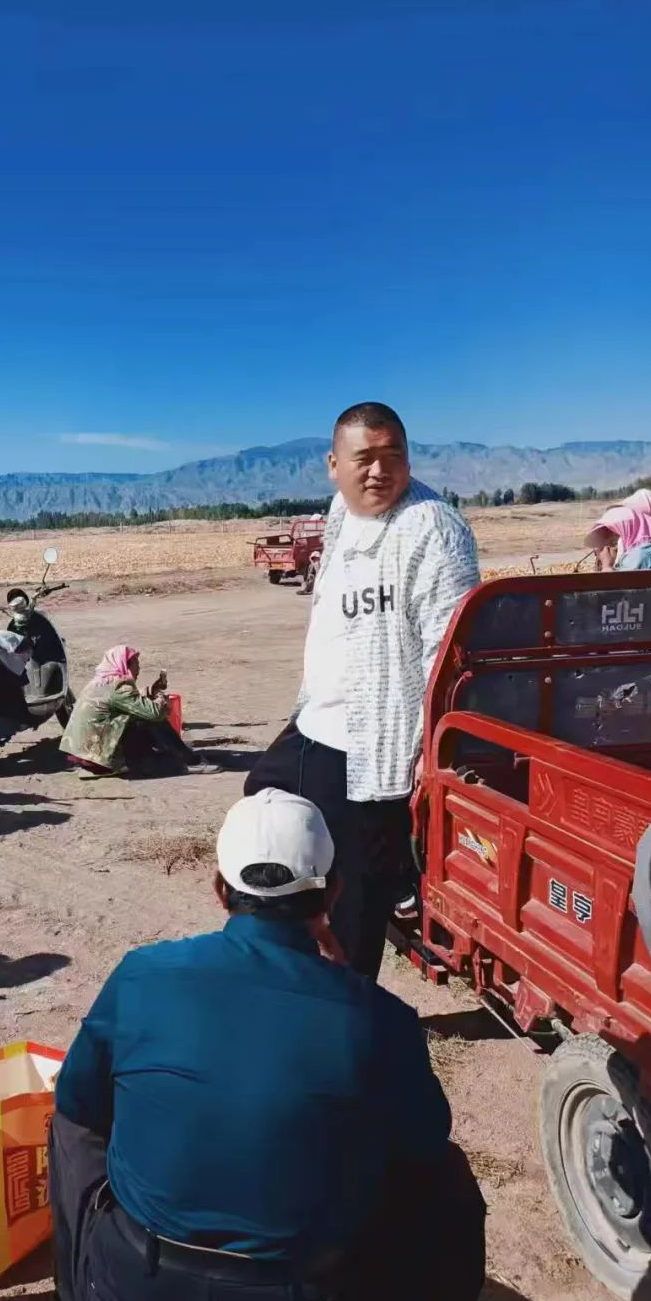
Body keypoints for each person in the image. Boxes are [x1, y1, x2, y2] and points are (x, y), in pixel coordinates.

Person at [50, 787, 487, 1301]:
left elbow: (79, 1103)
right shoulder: (378, 1019)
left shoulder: (143, 974)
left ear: (219, 890)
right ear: (332, 894)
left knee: (72, 1122)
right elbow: (422, 1142)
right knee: (445, 1183)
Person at [245, 402, 479, 977]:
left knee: (351, 896)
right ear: (333, 465)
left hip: (377, 753)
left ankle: (350, 1009)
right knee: (263, 802)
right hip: (317, 724)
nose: (379, 472)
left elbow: (448, 660)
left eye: (392, 456)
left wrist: (430, 757)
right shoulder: (339, 514)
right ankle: (301, 950)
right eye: (364, 459)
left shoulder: (433, 531)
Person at [59, 645, 215, 778]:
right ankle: (189, 761)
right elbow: (154, 713)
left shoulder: (101, 681)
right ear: (125, 665)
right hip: (98, 759)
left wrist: (151, 691)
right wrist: (160, 698)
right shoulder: (119, 687)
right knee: (152, 720)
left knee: (141, 715)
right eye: (136, 663)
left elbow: (125, 701)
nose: (139, 668)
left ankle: (175, 754)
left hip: (83, 753)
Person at [586, 489, 651, 571]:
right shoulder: (640, 553)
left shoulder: (642, 556)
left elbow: (621, 582)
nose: (612, 545)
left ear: (627, 530)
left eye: (615, 534)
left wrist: (607, 567)